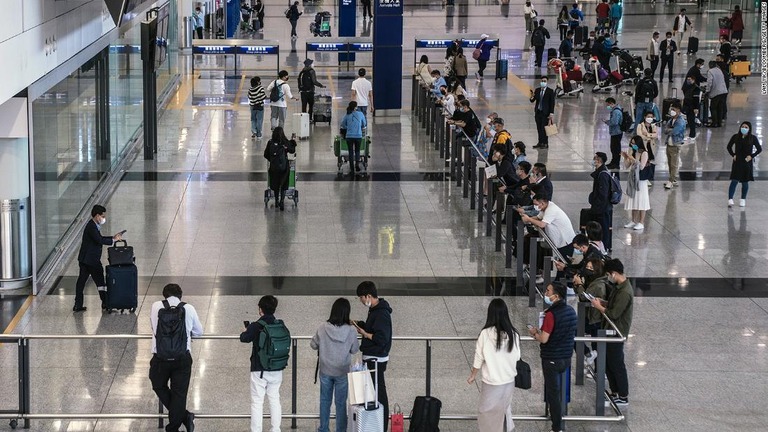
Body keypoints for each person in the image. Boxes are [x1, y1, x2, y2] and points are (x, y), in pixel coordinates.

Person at [149, 283, 204, 432]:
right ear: (180, 296)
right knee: (179, 393)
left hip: (160, 357)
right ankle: (175, 425)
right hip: (182, 358)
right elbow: (199, 332)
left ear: (164, 295)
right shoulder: (189, 308)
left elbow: (153, 328)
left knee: (158, 385)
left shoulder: (156, 307)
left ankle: (185, 416)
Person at [528, 282, 577, 432]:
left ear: (556, 296)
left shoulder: (551, 315)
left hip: (551, 358)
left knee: (553, 394)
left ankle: (557, 426)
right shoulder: (571, 311)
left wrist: (535, 333)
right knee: (558, 390)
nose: (546, 294)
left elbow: (544, 339)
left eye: (548, 291)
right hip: (566, 358)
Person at [467, 298, 521, 432]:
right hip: (508, 380)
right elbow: (517, 356)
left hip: (491, 381)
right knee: (504, 410)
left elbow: (479, 356)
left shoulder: (485, 334)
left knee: (486, 412)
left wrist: (473, 375)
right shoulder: (513, 334)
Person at [240, 295, 289, 432]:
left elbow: (244, 338)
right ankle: (276, 429)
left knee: (257, 401)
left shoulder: (256, 326)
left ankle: (256, 430)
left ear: (260, 309)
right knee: (274, 399)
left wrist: (246, 330)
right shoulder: (280, 324)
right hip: (277, 368)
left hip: (259, 370)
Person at [311, 298, 360, 432]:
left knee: (325, 401)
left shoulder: (322, 327)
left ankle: (323, 428)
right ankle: (341, 429)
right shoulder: (351, 330)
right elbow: (355, 349)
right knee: (341, 403)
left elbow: (313, 344)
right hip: (342, 371)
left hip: (325, 370)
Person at [590, 259, 633, 406]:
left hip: (617, 331)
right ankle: (614, 391)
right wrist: (603, 302)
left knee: (616, 364)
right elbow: (613, 305)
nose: (608, 277)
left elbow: (614, 314)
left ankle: (623, 395)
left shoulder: (625, 292)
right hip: (609, 329)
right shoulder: (619, 287)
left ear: (614, 274)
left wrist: (599, 307)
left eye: (609, 274)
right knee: (608, 362)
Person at [353, 281, 393, 432]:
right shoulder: (375, 310)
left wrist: (365, 334)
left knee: (379, 394)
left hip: (376, 359)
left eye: (362, 298)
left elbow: (381, 338)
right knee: (375, 392)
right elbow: (373, 328)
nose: (361, 301)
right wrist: (359, 324)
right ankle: (376, 425)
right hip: (373, 357)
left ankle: (382, 426)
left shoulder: (381, 313)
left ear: (368, 295)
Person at [74, 205, 122, 312]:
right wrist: (113, 240)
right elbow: (99, 240)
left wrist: (112, 238)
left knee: (81, 282)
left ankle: (78, 304)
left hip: (85, 259)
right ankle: (105, 303)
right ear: (97, 216)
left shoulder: (93, 225)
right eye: (102, 216)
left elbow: (99, 239)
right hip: (91, 261)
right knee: (100, 282)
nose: (103, 218)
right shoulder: (91, 226)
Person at [572, 257, 608, 365]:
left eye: (591, 268)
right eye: (587, 267)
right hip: (590, 316)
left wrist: (579, 285)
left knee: (574, 333)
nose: (588, 269)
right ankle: (597, 367)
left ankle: (591, 358)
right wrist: (577, 284)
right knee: (595, 344)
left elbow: (584, 297)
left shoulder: (598, 285)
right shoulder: (592, 280)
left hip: (594, 318)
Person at [727, 122, 762, 207]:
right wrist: (733, 154)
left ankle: (743, 199)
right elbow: (729, 146)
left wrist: (752, 156)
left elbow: (759, 149)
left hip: (747, 162)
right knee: (734, 180)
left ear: (749, 129)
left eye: (746, 127)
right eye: (742, 127)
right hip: (737, 161)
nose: (744, 128)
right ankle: (730, 199)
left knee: (745, 181)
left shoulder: (752, 138)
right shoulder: (735, 137)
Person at [264, 127, 297, 210]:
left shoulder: (270, 142)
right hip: (283, 168)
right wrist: (292, 141)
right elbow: (292, 150)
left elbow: (265, 154)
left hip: (274, 168)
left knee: (275, 184)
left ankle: (276, 201)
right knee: (283, 183)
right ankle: (282, 200)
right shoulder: (284, 142)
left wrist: (272, 160)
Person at [621, 136, 651, 230]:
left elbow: (641, 166)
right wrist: (626, 158)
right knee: (633, 199)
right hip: (633, 179)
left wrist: (633, 159)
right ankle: (633, 220)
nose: (633, 145)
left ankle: (641, 222)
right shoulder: (633, 152)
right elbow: (626, 166)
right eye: (632, 143)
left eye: (634, 143)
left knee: (641, 200)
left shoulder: (644, 153)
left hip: (641, 180)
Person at [588, 152, 614, 250]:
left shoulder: (602, 174)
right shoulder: (600, 172)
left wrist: (596, 205)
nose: (593, 160)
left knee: (603, 228)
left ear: (599, 160)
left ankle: (604, 247)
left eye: (595, 158)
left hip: (602, 208)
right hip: (601, 207)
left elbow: (603, 194)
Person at [340, 101, 368, 176]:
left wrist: (348, 128)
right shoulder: (360, 114)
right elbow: (364, 124)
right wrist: (360, 127)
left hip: (349, 136)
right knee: (357, 151)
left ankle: (352, 168)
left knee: (351, 152)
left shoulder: (347, 114)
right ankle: (357, 165)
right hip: (358, 136)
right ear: (356, 107)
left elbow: (342, 124)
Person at [663, 103, 686, 189]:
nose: (672, 111)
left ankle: (671, 181)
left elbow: (675, 131)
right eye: (671, 109)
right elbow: (665, 130)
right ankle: (673, 179)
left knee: (674, 164)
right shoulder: (671, 120)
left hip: (675, 145)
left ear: (679, 110)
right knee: (669, 163)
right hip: (669, 143)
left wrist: (670, 129)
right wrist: (670, 129)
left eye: (674, 109)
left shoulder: (680, 121)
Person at [529, 76, 555, 149]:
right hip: (538, 112)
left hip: (545, 113)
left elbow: (552, 103)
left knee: (544, 129)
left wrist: (551, 113)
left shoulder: (550, 91)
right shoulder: (537, 90)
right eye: (542, 81)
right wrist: (532, 96)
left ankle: (545, 143)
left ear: (547, 82)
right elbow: (532, 100)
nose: (543, 82)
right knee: (539, 128)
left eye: (544, 81)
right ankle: (540, 142)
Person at [637, 111, 658, 185]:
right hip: (643, 146)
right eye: (648, 116)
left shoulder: (653, 126)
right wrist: (649, 136)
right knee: (644, 161)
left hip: (651, 146)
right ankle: (644, 177)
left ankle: (649, 177)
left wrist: (648, 134)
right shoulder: (640, 125)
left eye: (651, 117)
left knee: (651, 161)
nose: (650, 118)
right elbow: (640, 135)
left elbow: (656, 135)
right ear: (645, 117)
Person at [706, 60, 728, 128]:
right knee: (720, 108)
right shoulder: (719, 70)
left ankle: (714, 123)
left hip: (716, 92)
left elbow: (710, 82)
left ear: (710, 65)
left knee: (713, 107)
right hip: (723, 91)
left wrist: (707, 91)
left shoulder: (710, 71)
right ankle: (719, 123)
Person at [604, 97, 624, 169]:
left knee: (615, 149)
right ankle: (613, 162)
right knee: (613, 148)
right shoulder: (615, 110)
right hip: (615, 132)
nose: (607, 107)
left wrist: (607, 122)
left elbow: (614, 122)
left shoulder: (616, 111)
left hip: (616, 132)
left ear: (611, 103)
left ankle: (616, 163)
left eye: (607, 105)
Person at [682, 75, 701, 140]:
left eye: (689, 80)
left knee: (691, 121)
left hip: (692, 106)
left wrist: (696, 108)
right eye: (687, 80)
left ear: (693, 80)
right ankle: (691, 135)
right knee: (689, 120)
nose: (688, 81)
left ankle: (692, 135)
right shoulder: (688, 87)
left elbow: (696, 99)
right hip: (688, 106)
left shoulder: (696, 88)